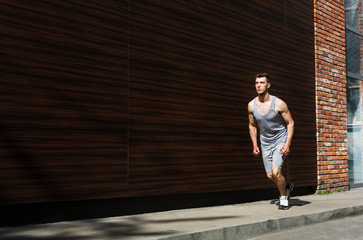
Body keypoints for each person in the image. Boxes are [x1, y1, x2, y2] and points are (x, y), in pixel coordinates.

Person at [247, 73, 295, 210]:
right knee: (269, 175)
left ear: (268, 85)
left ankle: (283, 198)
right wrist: (255, 144)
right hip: (265, 142)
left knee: (276, 172)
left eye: (261, 83)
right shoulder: (251, 105)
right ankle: (286, 186)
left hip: (280, 139)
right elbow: (252, 125)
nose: (258, 85)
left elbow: (290, 123)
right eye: (256, 83)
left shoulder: (279, 103)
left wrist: (287, 143)